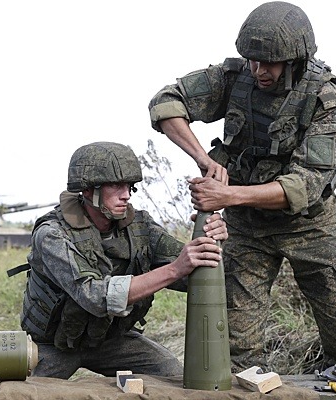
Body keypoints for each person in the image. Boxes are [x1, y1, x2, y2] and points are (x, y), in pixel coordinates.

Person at [148, 1, 336, 371]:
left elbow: (305, 185)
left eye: (269, 63)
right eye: (252, 61)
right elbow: (166, 103)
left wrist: (227, 195)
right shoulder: (235, 78)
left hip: (310, 226)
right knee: (237, 354)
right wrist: (205, 159)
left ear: (295, 60)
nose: (258, 71)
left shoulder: (326, 100)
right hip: (247, 229)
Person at [12, 141, 227, 379]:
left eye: (129, 186)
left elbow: (192, 275)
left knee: (173, 377)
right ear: (87, 191)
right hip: (53, 344)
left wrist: (208, 236)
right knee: (23, 392)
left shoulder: (140, 226)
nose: (126, 195)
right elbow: (95, 296)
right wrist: (176, 268)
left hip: (109, 341)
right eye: (115, 186)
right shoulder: (52, 234)